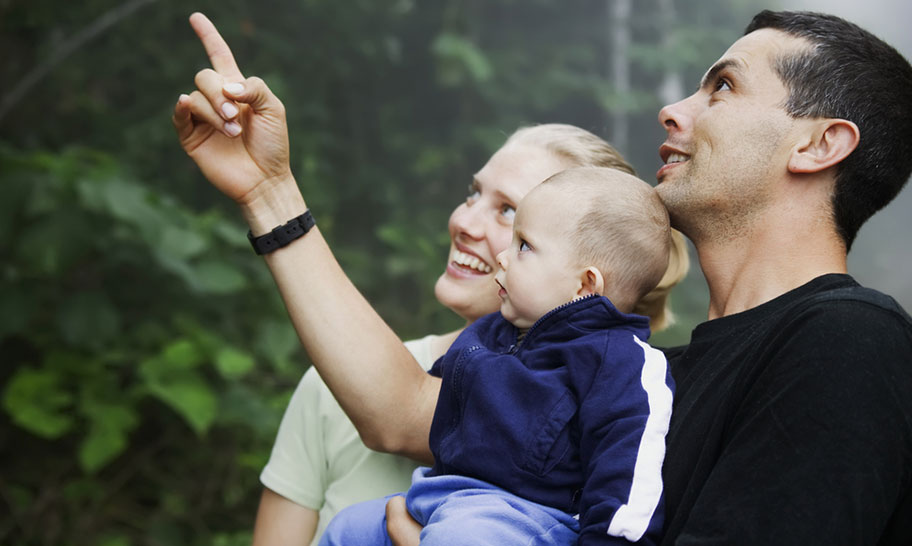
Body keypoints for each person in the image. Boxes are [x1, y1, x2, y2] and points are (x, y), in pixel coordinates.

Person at [254, 124, 688, 545]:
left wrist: (267, 192)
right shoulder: (328, 387)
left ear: (586, 280)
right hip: (438, 497)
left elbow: (403, 410)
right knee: (350, 527)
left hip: (508, 520)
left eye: (510, 214)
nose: (464, 221)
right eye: (473, 193)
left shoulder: (619, 367)